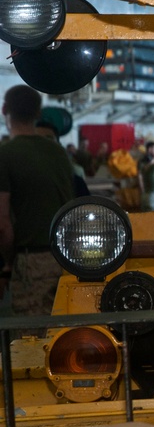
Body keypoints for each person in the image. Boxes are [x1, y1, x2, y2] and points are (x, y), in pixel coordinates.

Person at [0, 85, 75, 321]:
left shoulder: (5, 154)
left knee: (32, 342)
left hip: (32, 261)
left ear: (4, 110)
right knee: (63, 338)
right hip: (68, 259)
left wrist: (7, 266)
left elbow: (3, 224)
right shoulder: (58, 153)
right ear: (37, 114)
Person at [137, 141, 154, 211]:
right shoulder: (143, 161)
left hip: (153, 193)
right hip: (149, 194)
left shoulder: (152, 161)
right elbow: (139, 176)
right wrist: (142, 191)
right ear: (149, 149)